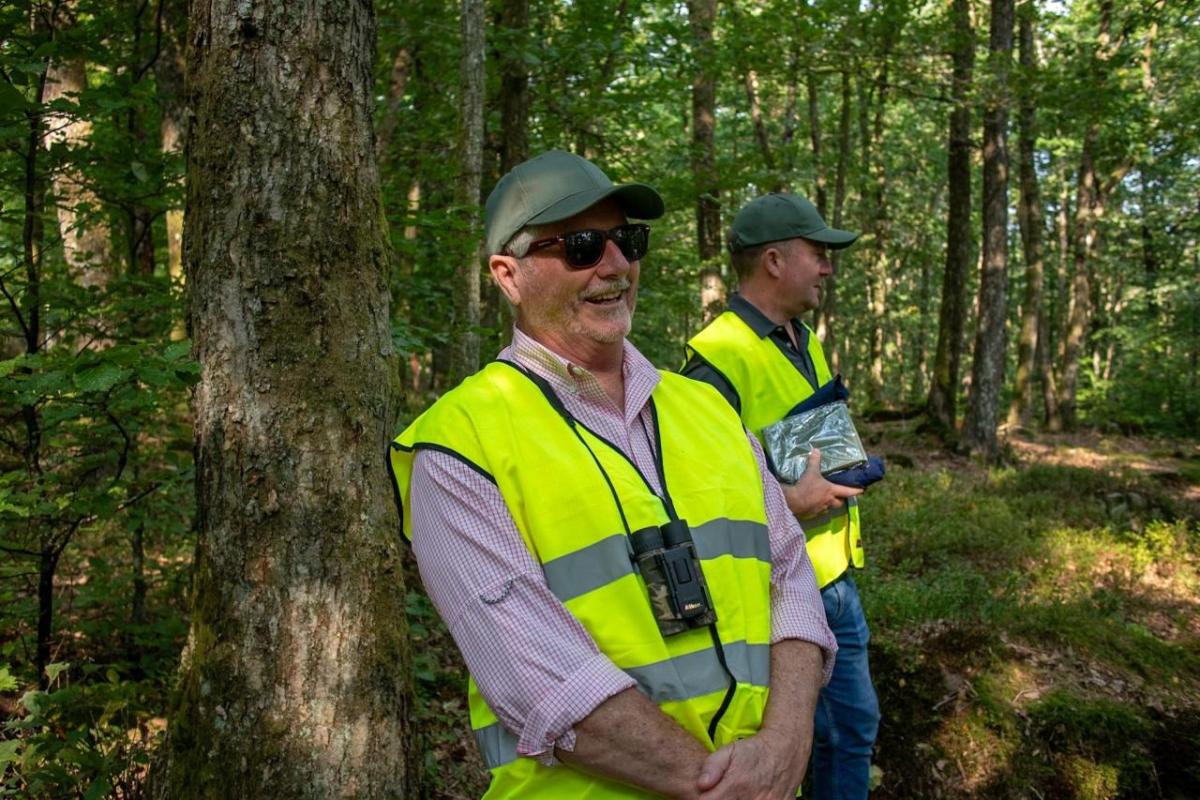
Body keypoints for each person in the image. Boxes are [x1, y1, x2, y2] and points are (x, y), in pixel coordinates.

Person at [390, 152, 837, 799]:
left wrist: (786, 744)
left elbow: (790, 577)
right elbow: (540, 677)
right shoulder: (459, 447)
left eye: (627, 240)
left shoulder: (706, 410)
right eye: (580, 246)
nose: (615, 265)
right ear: (507, 275)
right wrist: (722, 787)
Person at [681, 193, 881, 800]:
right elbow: (696, 503)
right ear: (773, 260)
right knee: (801, 744)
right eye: (818, 254)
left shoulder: (803, 338)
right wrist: (792, 503)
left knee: (852, 728)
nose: (828, 267)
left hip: (837, 577)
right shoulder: (712, 362)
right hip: (779, 592)